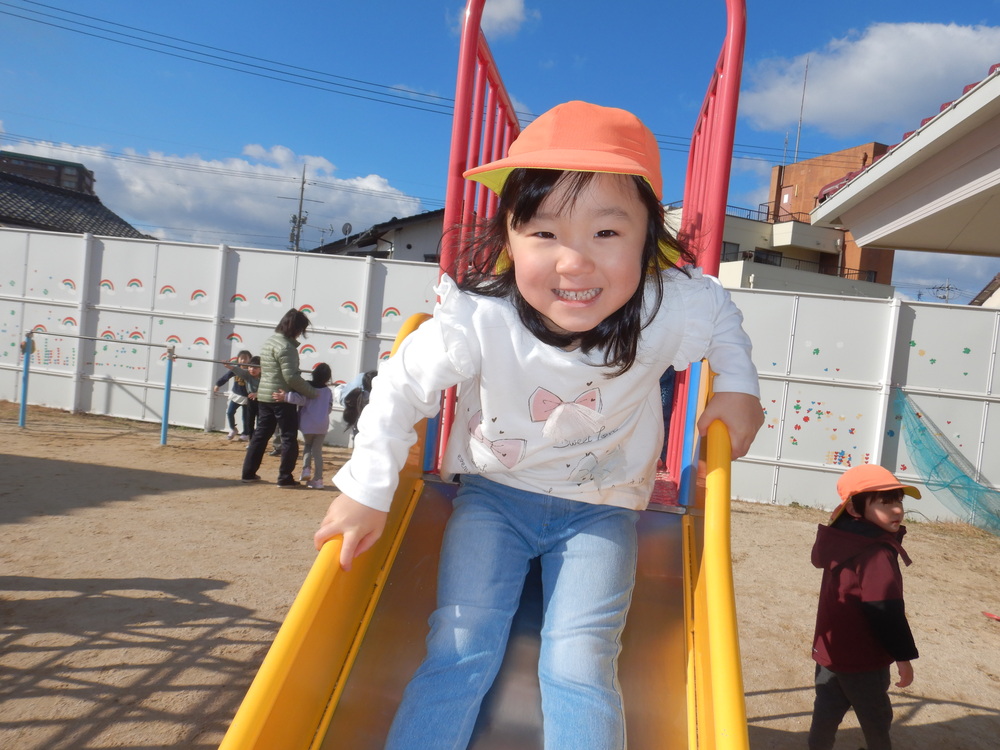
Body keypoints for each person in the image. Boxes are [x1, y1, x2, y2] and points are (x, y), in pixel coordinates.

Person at [314, 100, 764, 749]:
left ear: (647, 241)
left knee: (579, 665)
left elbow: (720, 317)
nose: (573, 263)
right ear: (509, 238)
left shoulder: (669, 308)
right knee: (459, 648)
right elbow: (400, 386)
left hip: (603, 510)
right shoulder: (479, 319)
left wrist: (740, 387)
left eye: (606, 234)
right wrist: (366, 489)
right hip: (494, 499)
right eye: (545, 234)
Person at [809, 463, 920, 750]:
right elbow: (884, 608)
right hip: (863, 658)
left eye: (898, 500)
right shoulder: (875, 553)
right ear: (855, 510)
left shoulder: (840, 538)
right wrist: (903, 657)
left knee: (826, 710)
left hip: (830, 651)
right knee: (876, 717)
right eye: (885, 503)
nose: (897, 510)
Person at [242, 308, 317, 487]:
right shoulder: (286, 347)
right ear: (295, 328)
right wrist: (311, 392)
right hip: (282, 398)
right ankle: (285, 477)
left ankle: (248, 473)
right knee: (288, 437)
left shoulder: (270, 341)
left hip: (265, 395)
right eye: (301, 330)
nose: (301, 334)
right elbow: (290, 377)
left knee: (261, 435)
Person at [277, 363, 334, 489]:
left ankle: (306, 470)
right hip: (322, 426)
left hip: (307, 424)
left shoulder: (307, 387)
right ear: (328, 378)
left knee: (308, 447)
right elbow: (329, 408)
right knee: (317, 452)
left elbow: (300, 400)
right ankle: (318, 480)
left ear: (313, 374)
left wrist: (285, 397)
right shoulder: (328, 391)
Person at [214, 349, 252, 440]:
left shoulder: (251, 370)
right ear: (238, 359)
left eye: (245, 359)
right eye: (241, 358)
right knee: (230, 412)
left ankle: (246, 433)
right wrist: (218, 384)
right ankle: (233, 429)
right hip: (236, 395)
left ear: (250, 359)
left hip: (247, 397)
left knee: (246, 417)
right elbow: (226, 377)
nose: (243, 361)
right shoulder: (235, 369)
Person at [227, 355, 262, 441]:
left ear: (261, 369)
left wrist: (257, 394)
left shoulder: (264, 377)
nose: (252, 370)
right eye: (250, 367)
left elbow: (267, 389)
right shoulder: (247, 374)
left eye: (255, 368)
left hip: (262, 401)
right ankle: (251, 440)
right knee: (249, 421)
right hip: (250, 400)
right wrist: (229, 366)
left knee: (260, 423)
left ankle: (257, 441)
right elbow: (239, 371)